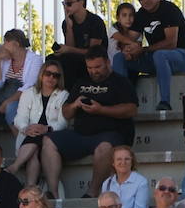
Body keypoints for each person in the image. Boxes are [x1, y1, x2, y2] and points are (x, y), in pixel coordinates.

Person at [43, 47, 139, 200]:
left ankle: (92, 192)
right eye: (90, 68)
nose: (94, 71)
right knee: (48, 140)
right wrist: (75, 105)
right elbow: (66, 113)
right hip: (81, 135)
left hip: (111, 135)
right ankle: (53, 192)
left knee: (104, 147)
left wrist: (101, 110)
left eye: (98, 67)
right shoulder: (81, 82)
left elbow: (131, 109)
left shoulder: (121, 82)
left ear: (108, 62)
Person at [112, 0, 185, 112]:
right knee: (119, 58)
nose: (145, 0)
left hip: (182, 56)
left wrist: (142, 49)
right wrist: (128, 50)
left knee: (159, 54)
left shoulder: (169, 9)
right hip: (157, 59)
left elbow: (171, 43)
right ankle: (123, 102)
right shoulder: (141, 15)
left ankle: (165, 102)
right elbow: (130, 39)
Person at [8, 58, 68, 185]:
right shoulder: (28, 93)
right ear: (41, 74)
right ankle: (31, 187)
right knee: (34, 146)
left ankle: (16, 167)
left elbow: (63, 123)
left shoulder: (63, 95)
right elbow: (19, 118)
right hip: (29, 135)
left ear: (59, 78)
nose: (51, 78)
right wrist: (26, 128)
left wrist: (47, 128)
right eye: (48, 73)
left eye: (56, 75)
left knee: (38, 135)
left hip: (51, 138)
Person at [0, 29, 44, 144]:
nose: (3, 46)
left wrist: (7, 102)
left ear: (16, 44)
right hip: (0, 98)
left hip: (22, 100)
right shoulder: (5, 60)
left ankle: (22, 146)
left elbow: (29, 85)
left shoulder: (35, 59)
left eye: (5, 42)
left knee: (11, 108)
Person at [55, 0, 110, 87]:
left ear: (81, 2)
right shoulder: (66, 22)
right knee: (53, 60)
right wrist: (69, 27)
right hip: (76, 59)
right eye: (64, 4)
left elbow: (93, 52)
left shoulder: (95, 22)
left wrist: (68, 49)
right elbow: (70, 48)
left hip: (94, 61)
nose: (66, 7)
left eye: (69, 3)